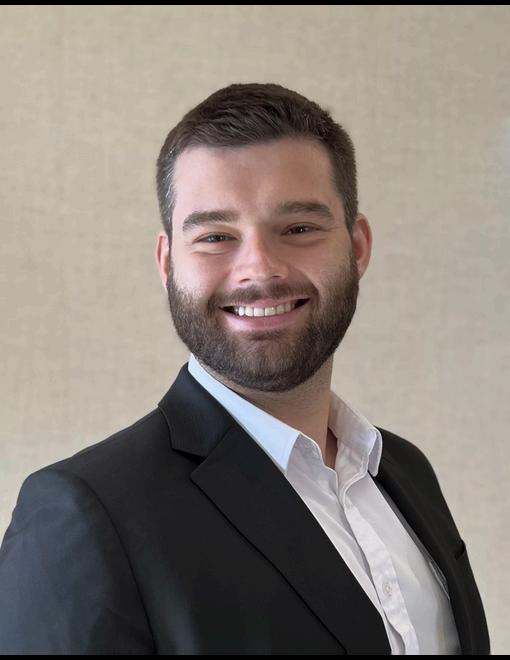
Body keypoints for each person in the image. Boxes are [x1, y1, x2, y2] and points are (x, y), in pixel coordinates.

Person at [0, 83, 490, 655]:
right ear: (168, 263)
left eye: (299, 228)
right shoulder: (84, 515)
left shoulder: (404, 471)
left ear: (357, 247)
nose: (259, 268)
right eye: (215, 237)